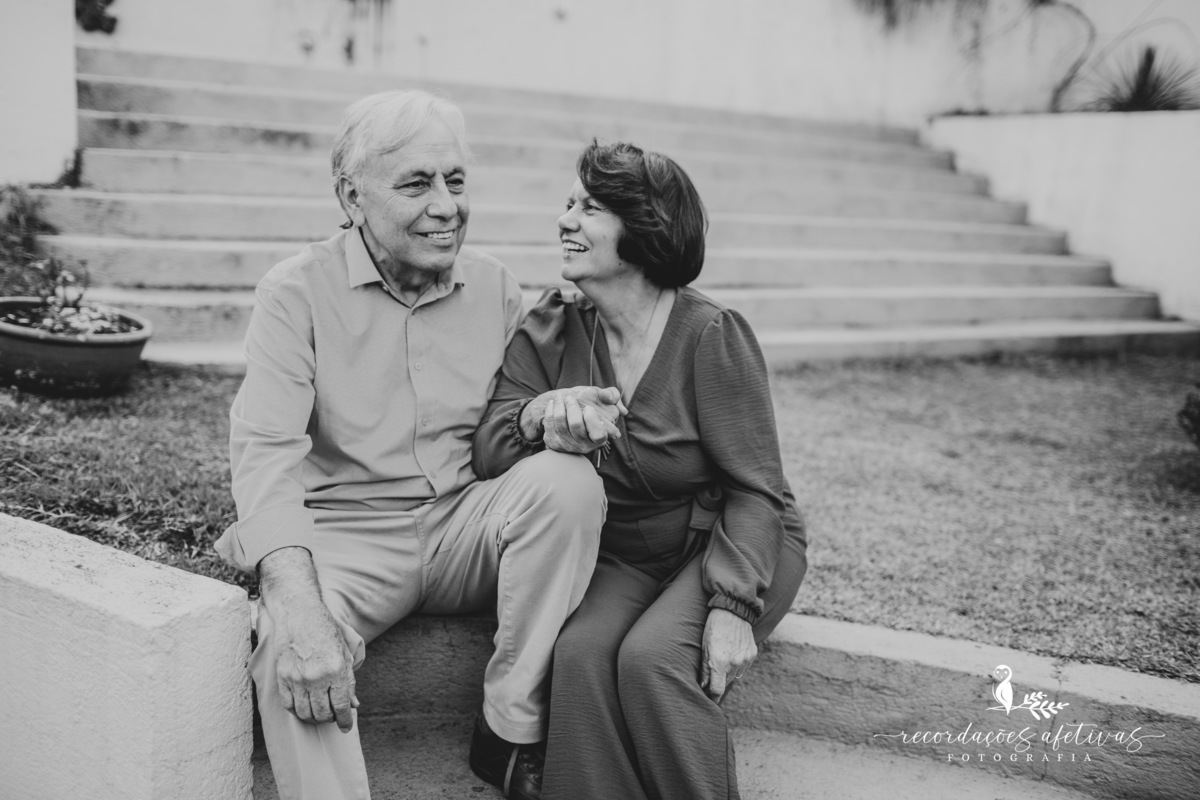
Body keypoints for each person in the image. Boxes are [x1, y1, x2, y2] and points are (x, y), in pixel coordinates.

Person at [214, 90, 609, 800]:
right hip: (349, 539)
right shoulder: (295, 292)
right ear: (352, 196)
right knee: (289, 650)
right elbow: (265, 458)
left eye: (456, 181)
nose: (446, 206)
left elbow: (511, 425)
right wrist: (299, 606)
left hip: (464, 525)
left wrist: (549, 413)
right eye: (417, 184)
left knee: (569, 483)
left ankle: (510, 728)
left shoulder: (495, 287)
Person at [472, 141, 809, 800]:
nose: (566, 220)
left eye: (590, 208)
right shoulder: (554, 326)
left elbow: (757, 490)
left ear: (643, 229)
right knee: (578, 658)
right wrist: (539, 416)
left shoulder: (711, 334)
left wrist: (733, 606)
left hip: (732, 541)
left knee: (653, 660)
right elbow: (489, 449)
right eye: (568, 204)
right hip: (629, 555)